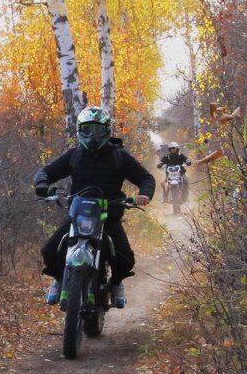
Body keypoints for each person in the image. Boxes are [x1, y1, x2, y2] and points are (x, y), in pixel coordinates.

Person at [33, 106, 155, 309]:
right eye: (87, 129)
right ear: (80, 130)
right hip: (78, 216)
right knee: (50, 251)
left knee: (125, 258)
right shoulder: (74, 155)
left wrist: (144, 194)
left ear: (107, 130)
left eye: (97, 130)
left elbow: (145, 177)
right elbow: (46, 171)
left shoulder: (119, 156)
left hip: (108, 217)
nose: (92, 136)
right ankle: (60, 278)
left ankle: (115, 283)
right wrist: (42, 185)